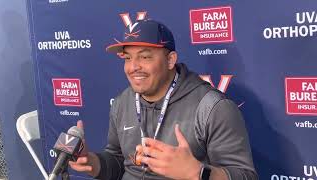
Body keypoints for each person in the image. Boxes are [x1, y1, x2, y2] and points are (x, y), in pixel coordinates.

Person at [69, 19, 258, 180]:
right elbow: (119, 160)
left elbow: (245, 175)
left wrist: (199, 173)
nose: (133, 67)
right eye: (127, 58)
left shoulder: (212, 107)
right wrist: (94, 163)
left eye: (144, 56)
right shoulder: (122, 102)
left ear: (170, 60)